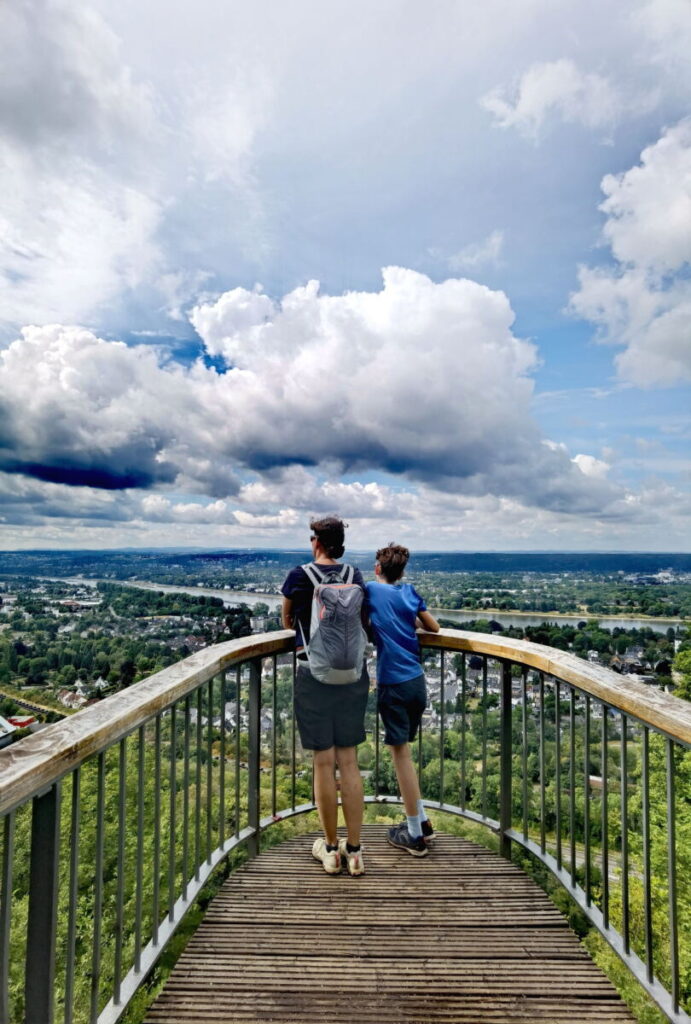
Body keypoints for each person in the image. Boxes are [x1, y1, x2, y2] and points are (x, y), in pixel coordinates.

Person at [281, 516, 369, 876]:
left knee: (323, 762)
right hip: (352, 676)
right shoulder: (356, 575)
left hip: (314, 676)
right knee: (349, 762)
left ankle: (331, 851)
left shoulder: (299, 576)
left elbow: (288, 622)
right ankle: (357, 851)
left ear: (317, 540)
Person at [365, 543, 440, 857]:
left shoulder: (370, 589)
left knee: (401, 758)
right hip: (417, 682)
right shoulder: (409, 593)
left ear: (378, 569)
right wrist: (409, 622)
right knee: (405, 754)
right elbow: (434, 627)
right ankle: (422, 822)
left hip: (392, 684)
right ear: (402, 571)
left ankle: (414, 836)